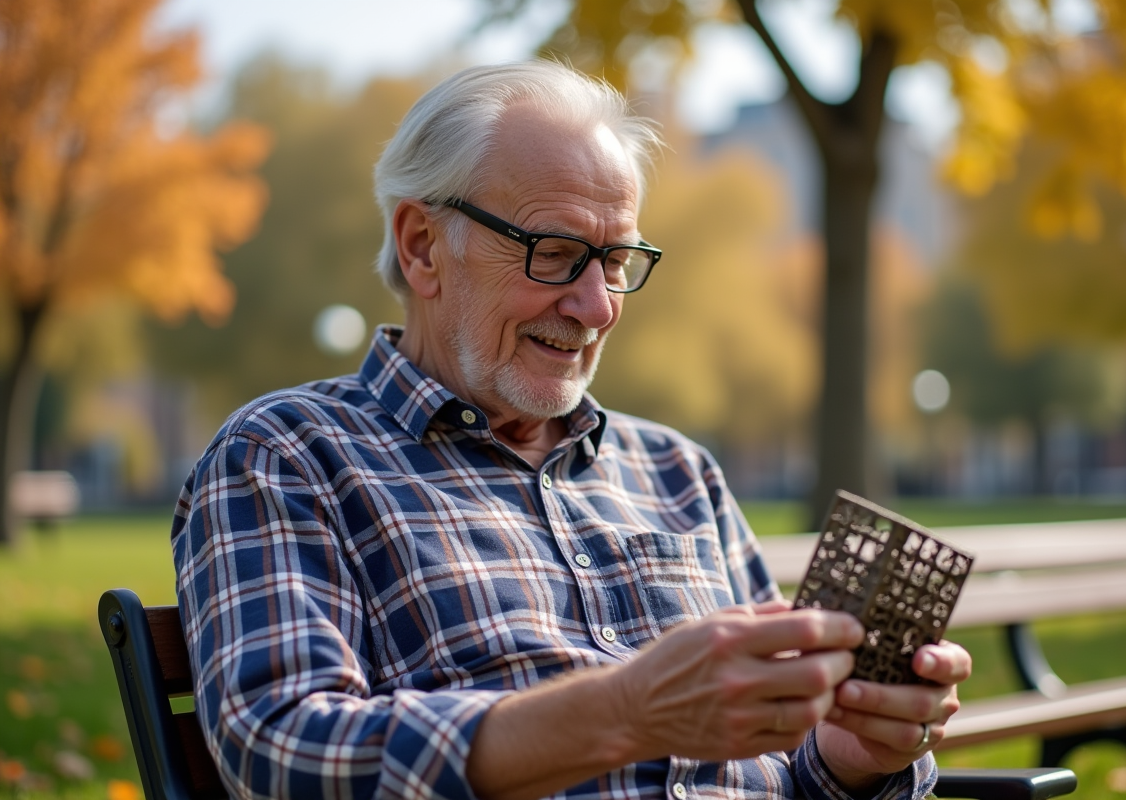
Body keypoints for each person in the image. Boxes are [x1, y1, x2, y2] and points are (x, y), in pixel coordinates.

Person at [172, 61, 971, 800]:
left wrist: (850, 758)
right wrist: (623, 712)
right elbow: (278, 751)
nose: (596, 307)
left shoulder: (677, 470)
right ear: (423, 247)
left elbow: (795, 770)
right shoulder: (286, 457)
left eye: (615, 261)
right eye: (554, 253)